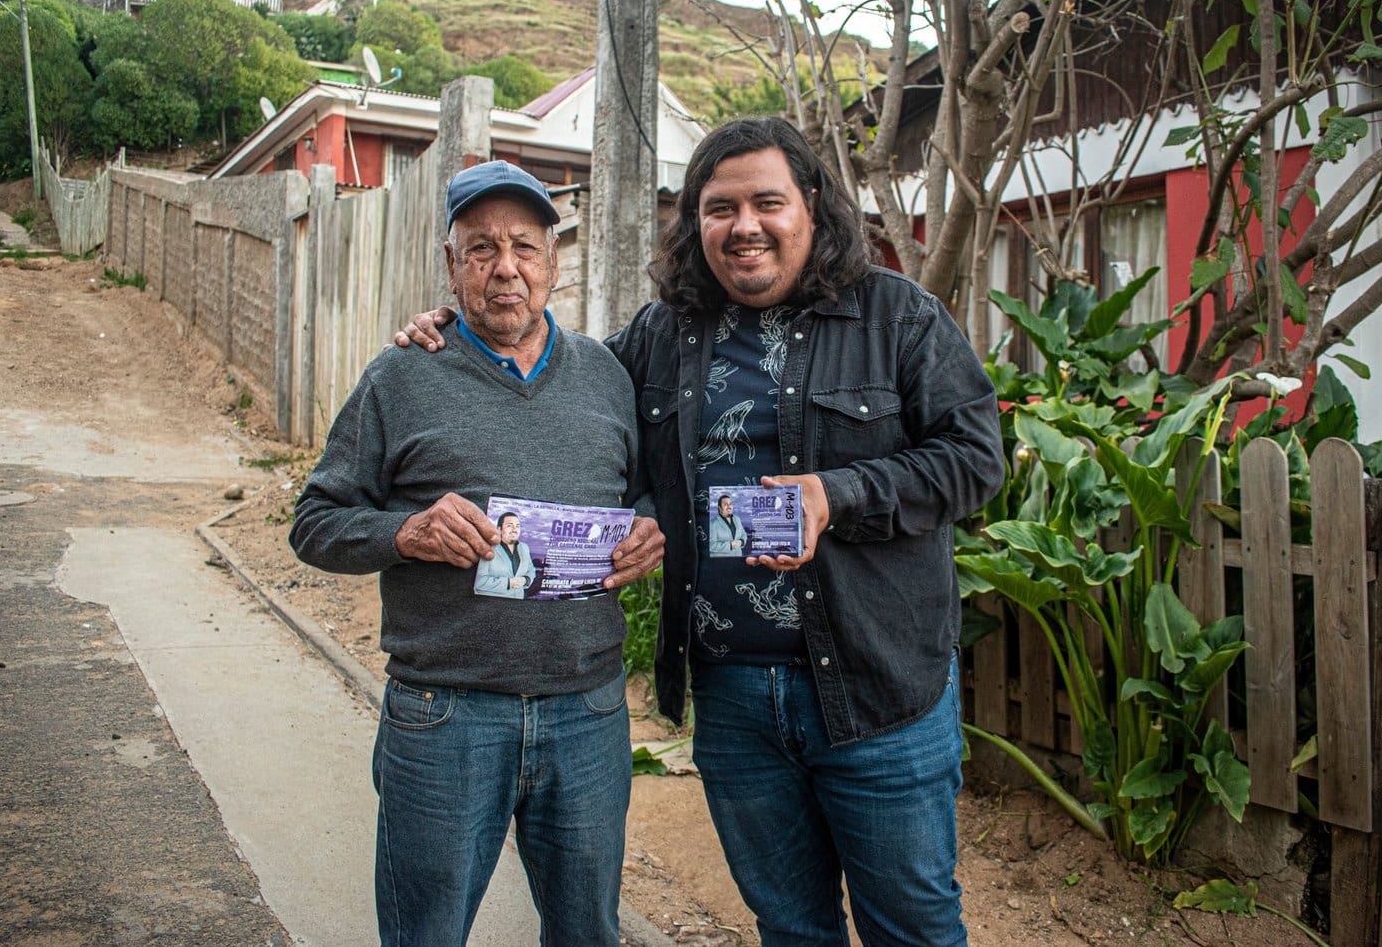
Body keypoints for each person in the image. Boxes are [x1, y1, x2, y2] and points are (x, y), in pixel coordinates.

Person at [399, 118, 1004, 947]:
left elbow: (975, 460)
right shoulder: (662, 335)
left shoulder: (897, 318)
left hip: (878, 687)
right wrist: (463, 322)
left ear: (812, 206)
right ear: (696, 222)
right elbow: (562, 395)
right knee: (790, 927)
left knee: (916, 929)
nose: (744, 226)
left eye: (767, 202)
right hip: (734, 699)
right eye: (720, 208)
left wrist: (839, 495)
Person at [291, 159, 664, 947]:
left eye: (525, 247)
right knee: (425, 933)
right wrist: (404, 532)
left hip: (587, 712)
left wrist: (647, 527)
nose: (505, 269)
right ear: (452, 264)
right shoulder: (402, 375)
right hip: (445, 714)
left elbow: (644, 493)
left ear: (555, 263)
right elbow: (315, 521)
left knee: (588, 931)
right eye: (481, 248)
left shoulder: (607, 376)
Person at [473, 511, 536, 596]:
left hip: (518, 603)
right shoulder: (487, 548)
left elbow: (531, 570)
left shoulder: (525, 547)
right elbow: (479, 582)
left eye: (517, 526)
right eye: (509, 525)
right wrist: (509, 583)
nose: (514, 529)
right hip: (491, 604)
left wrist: (526, 580)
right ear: (499, 529)